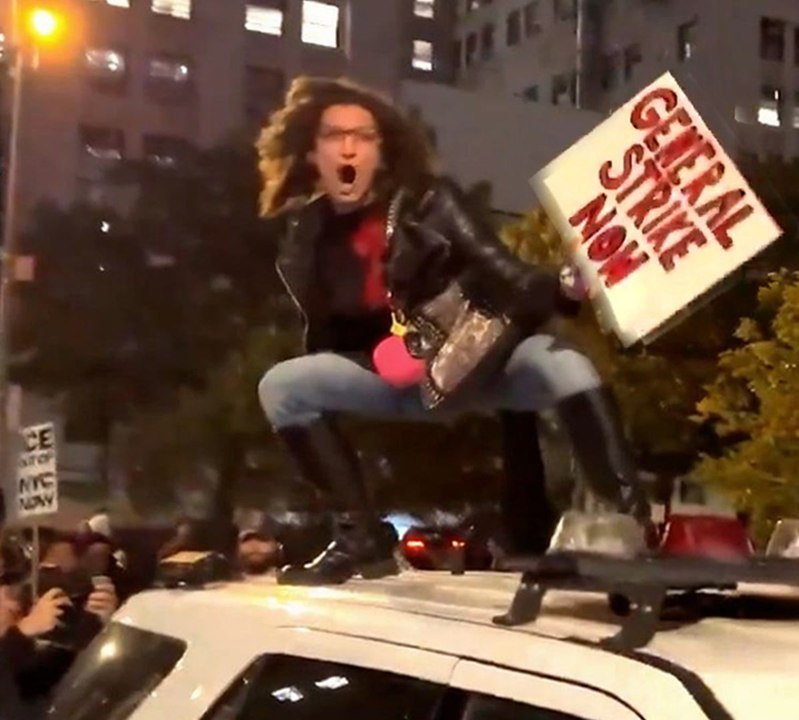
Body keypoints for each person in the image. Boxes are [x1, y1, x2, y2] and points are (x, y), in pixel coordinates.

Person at [254, 76, 650, 586]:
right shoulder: (306, 236)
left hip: (468, 365)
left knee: (565, 363)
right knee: (282, 387)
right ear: (313, 153)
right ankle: (360, 539)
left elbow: (504, 270)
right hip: (383, 376)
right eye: (334, 136)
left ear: (382, 150)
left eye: (363, 136)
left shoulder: (430, 204)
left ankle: (623, 523)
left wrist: (564, 288)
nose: (348, 148)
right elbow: (327, 335)